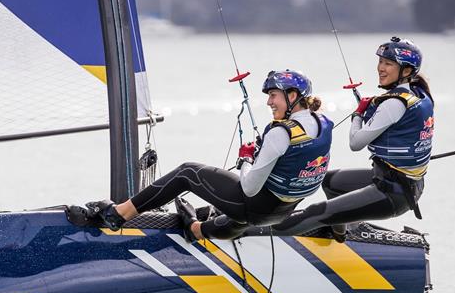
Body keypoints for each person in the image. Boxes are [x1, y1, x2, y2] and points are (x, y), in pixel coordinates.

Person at [76, 70, 333, 241]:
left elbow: (249, 187)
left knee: (188, 172)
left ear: (292, 96)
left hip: (255, 207)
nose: (269, 103)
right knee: (237, 217)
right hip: (282, 212)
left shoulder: (280, 133)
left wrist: (246, 159)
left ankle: (118, 214)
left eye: (273, 96)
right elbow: (299, 165)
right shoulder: (323, 124)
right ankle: (196, 231)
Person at [272, 37, 434, 241]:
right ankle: (341, 235)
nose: (381, 68)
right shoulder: (420, 94)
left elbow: (355, 143)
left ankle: (252, 234)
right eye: (381, 61)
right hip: (403, 183)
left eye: (388, 64)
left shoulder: (394, 104)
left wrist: (358, 115)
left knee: (315, 213)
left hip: (393, 194)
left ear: (408, 71)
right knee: (330, 182)